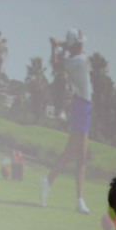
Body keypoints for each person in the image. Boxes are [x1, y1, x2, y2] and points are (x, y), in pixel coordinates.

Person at [40, 28, 91, 214]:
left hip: (85, 106)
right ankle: (51, 184)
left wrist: (56, 45)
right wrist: (56, 47)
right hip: (81, 106)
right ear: (74, 45)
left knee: (77, 154)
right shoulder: (76, 61)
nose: (82, 45)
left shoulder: (76, 57)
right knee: (76, 154)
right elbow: (56, 65)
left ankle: (74, 197)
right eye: (79, 43)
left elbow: (61, 59)